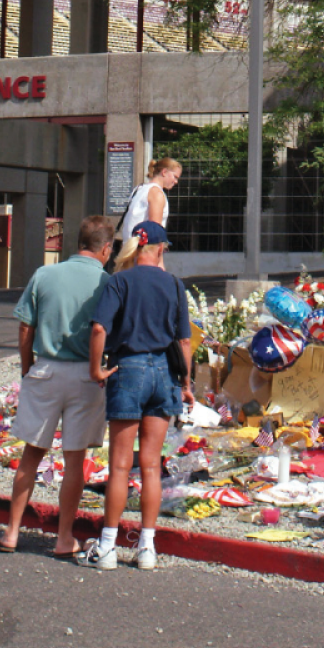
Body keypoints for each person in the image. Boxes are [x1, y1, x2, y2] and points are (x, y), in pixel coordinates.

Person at [0, 216, 115, 558]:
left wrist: (26, 370)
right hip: (86, 375)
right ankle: (64, 537)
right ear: (106, 249)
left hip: (46, 370)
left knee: (31, 454)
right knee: (75, 459)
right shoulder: (106, 283)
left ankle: (12, 531)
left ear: (77, 242)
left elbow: (25, 329)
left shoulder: (44, 275)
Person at [82, 221, 193, 570]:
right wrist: (186, 384)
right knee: (150, 466)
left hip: (127, 368)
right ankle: (147, 547)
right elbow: (185, 341)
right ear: (160, 249)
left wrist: (96, 368)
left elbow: (100, 327)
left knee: (118, 465)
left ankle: (108, 547)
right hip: (164, 373)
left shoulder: (119, 281)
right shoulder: (174, 285)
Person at [112, 157, 182, 268]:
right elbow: (154, 233)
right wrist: (160, 265)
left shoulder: (139, 189)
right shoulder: (156, 193)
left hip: (127, 252)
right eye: (175, 177)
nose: (176, 181)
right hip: (143, 257)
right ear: (164, 172)